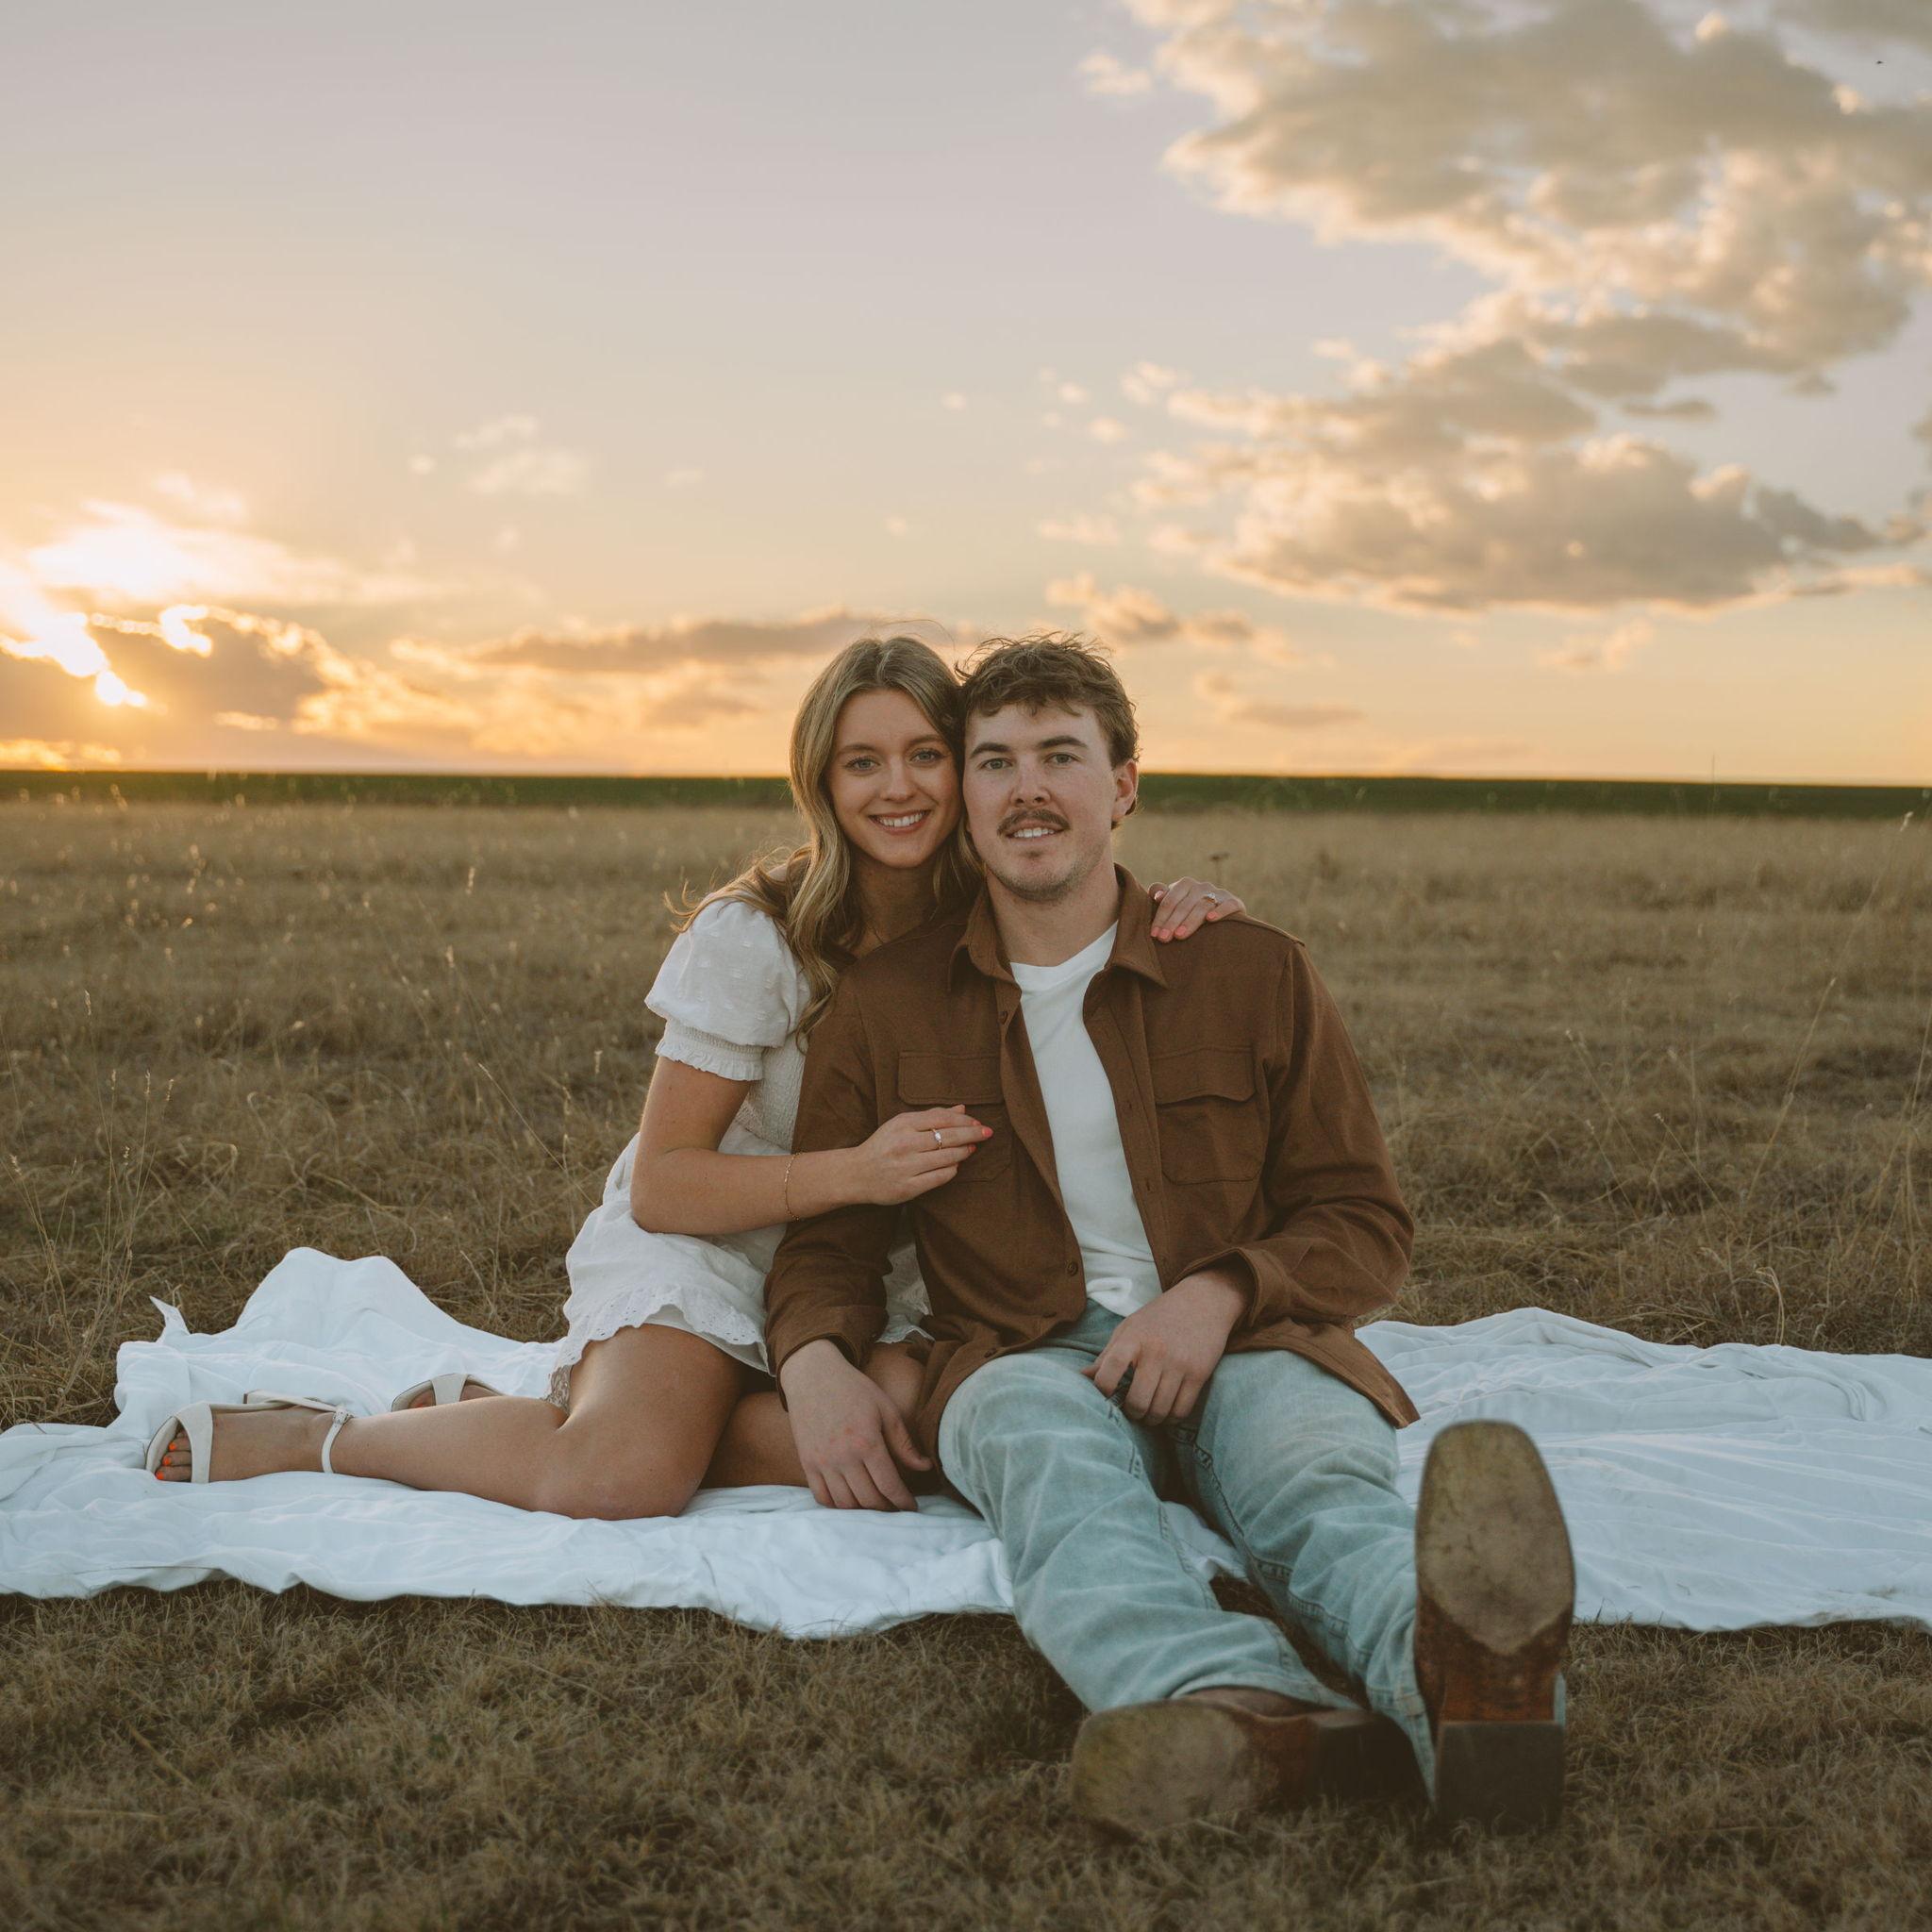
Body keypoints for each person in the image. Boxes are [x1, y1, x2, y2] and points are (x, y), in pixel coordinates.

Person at [765, 634, 1575, 1833]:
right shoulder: (888, 1004)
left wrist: (1218, 1294)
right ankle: (1228, 1705)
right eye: (993, 760)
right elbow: (825, 1245)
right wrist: (813, 1364)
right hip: (1020, 1354)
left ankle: (1466, 1683)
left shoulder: (1250, 970)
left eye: (1060, 755)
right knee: (1054, 1484)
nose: (1026, 788)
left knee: (1315, 1484)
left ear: (1124, 785)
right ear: (965, 800)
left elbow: (1361, 1218)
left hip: (1250, 1339)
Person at [147, 634, 1245, 1517]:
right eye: (861, 762)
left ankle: (532, 1409)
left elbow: (1083, 898)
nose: (898, 787)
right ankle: (323, 1435)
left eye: (926, 753)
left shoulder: (994, 913)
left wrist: (1175, 908)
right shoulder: (755, 933)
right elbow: (665, 1183)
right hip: (714, 1247)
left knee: (930, 1442)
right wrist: (857, 1171)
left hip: (868, 1268)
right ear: (820, 781)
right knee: (619, 1476)